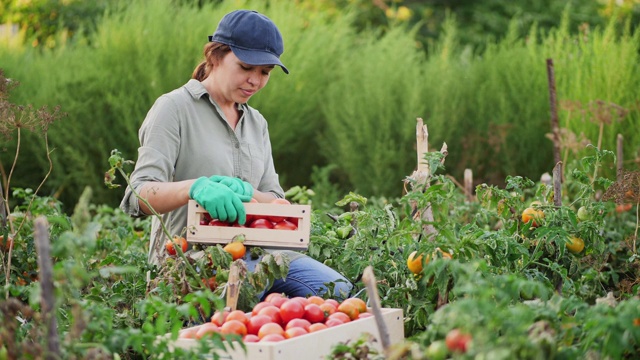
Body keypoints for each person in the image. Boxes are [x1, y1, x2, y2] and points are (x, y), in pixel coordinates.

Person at [120, 9, 352, 301]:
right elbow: (138, 195)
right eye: (245, 67)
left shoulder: (256, 123)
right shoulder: (174, 109)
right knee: (241, 308)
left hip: (261, 258)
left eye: (265, 72)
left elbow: (276, 200)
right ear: (215, 57)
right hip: (192, 263)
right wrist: (194, 188)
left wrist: (250, 192)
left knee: (340, 293)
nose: (255, 81)